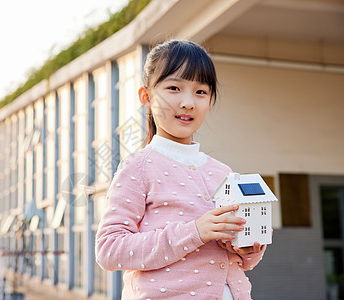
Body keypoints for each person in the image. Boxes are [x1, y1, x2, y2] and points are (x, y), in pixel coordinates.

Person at [95, 40, 267, 300]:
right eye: (174, 88)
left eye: (201, 92)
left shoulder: (223, 172)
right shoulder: (138, 167)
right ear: (147, 97)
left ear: (210, 101)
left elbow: (242, 262)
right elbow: (108, 250)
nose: (188, 103)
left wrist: (248, 249)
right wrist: (194, 232)